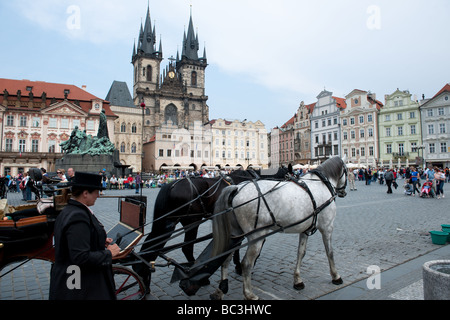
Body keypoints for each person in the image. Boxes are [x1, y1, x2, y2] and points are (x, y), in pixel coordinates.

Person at [49, 172, 120, 300]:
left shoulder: (70, 210)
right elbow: (80, 256)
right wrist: (109, 253)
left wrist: (98, 241)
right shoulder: (77, 216)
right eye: (96, 191)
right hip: (78, 283)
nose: (98, 195)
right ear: (85, 193)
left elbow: (75, 241)